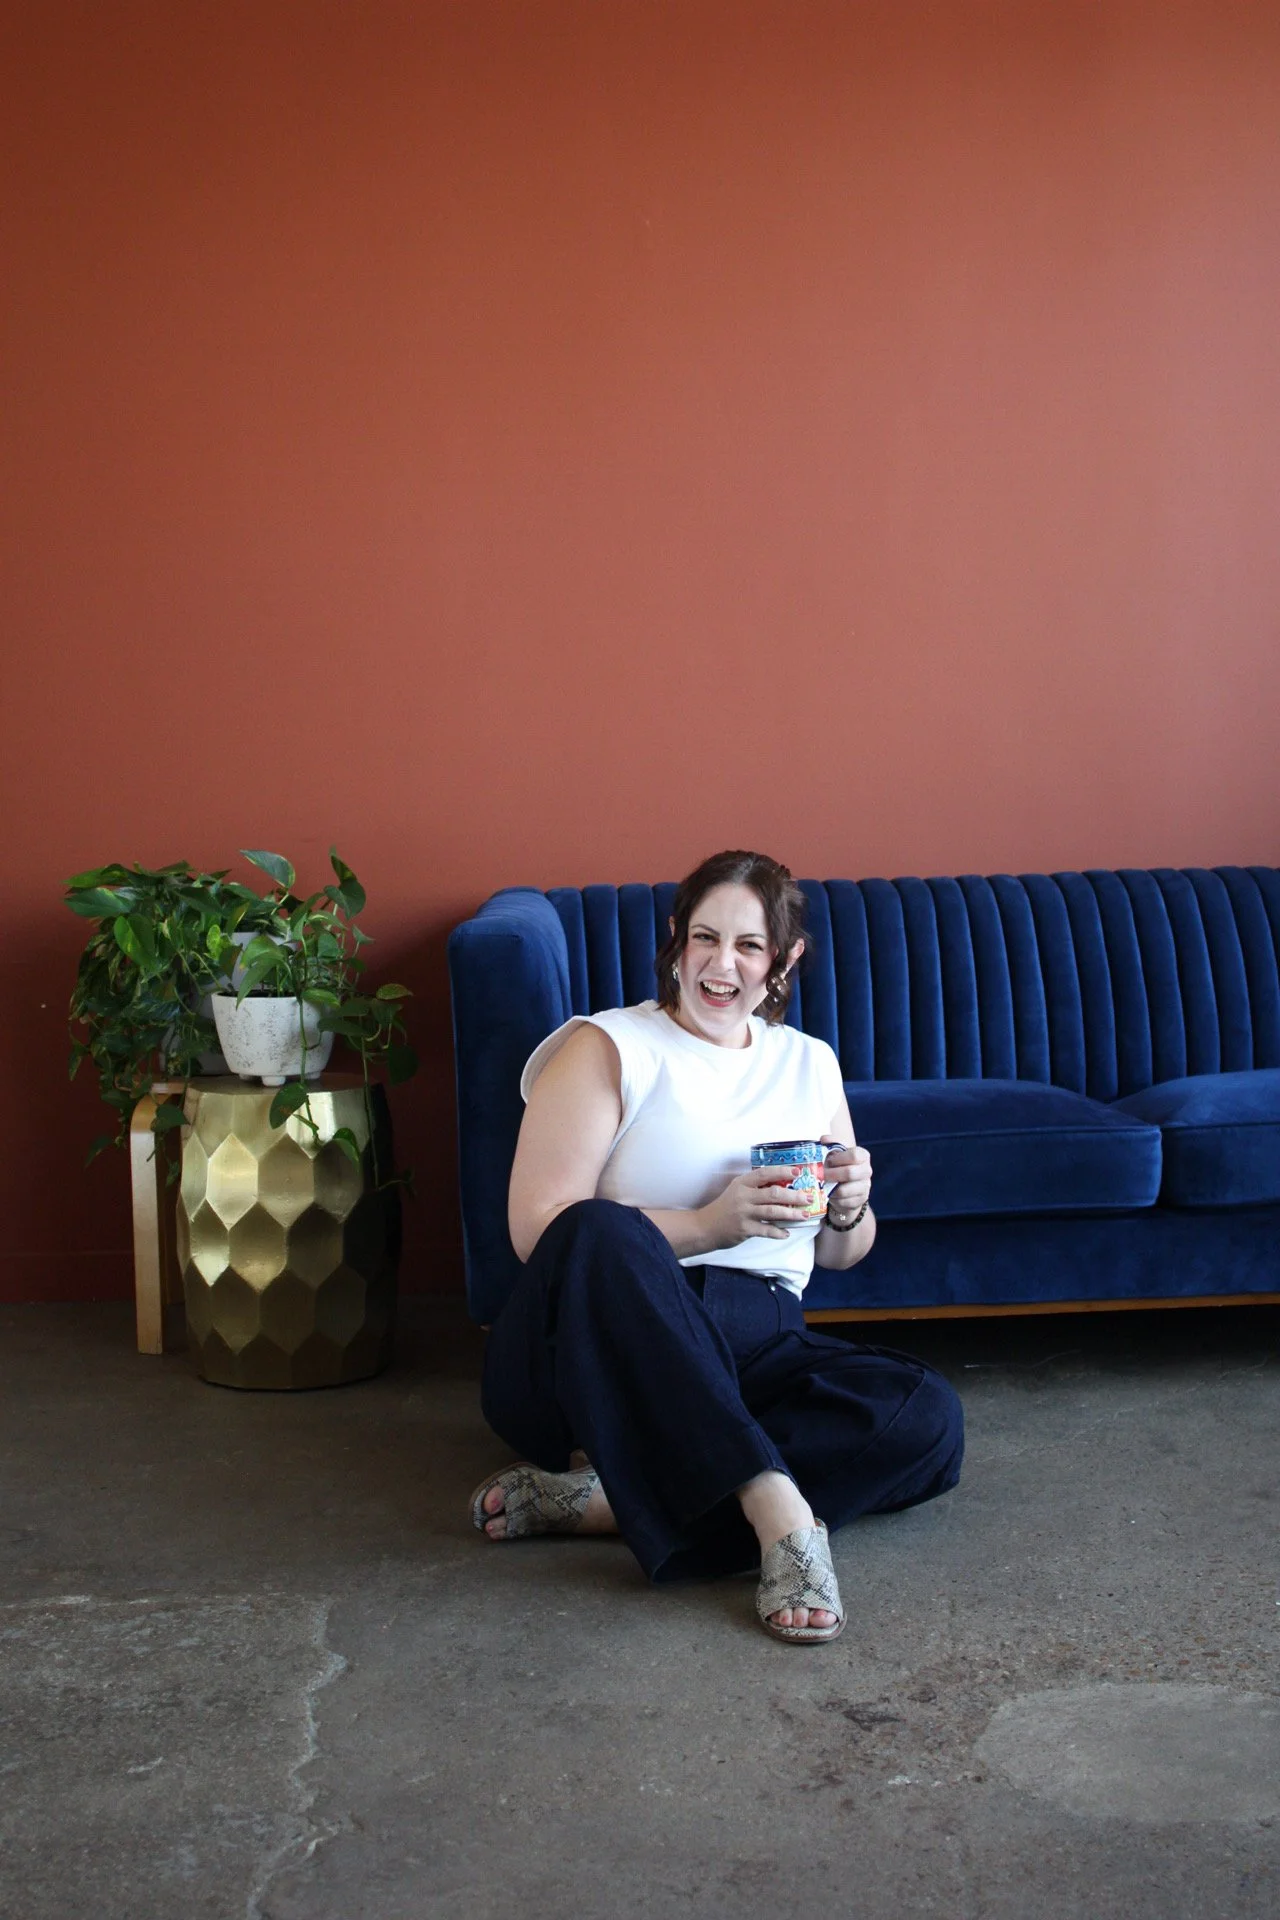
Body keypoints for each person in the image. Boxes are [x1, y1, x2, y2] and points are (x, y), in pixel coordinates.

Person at [470, 849, 964, 1644]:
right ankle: (778, 1510)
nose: (721, 964)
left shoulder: (809, 1063)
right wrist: (710, 1225)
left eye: (748, 945)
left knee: (925, 1417)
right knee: (600, 1226)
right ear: (676, 937)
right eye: (705, 937)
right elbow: (541, 1228)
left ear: (785, 960)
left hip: (756, 1340)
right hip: (596, 1352)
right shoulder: (608, 1046)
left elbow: (841, 1256)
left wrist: (848, 1209)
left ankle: (617, 1498)